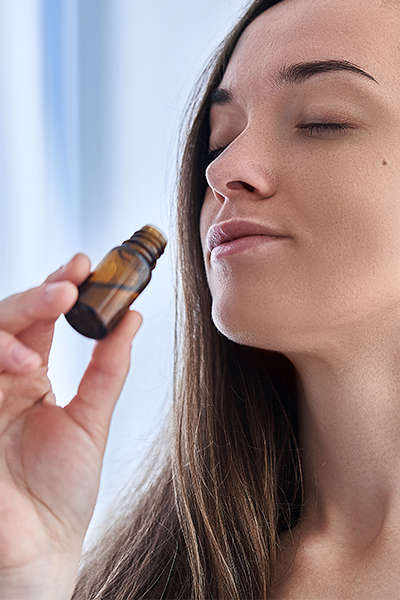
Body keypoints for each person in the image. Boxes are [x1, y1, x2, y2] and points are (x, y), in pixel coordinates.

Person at [1, 0, 400, 597]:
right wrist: (28, 578)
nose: (223, 170)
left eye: (322, 121)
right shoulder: (144, 579)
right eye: (220, 138)